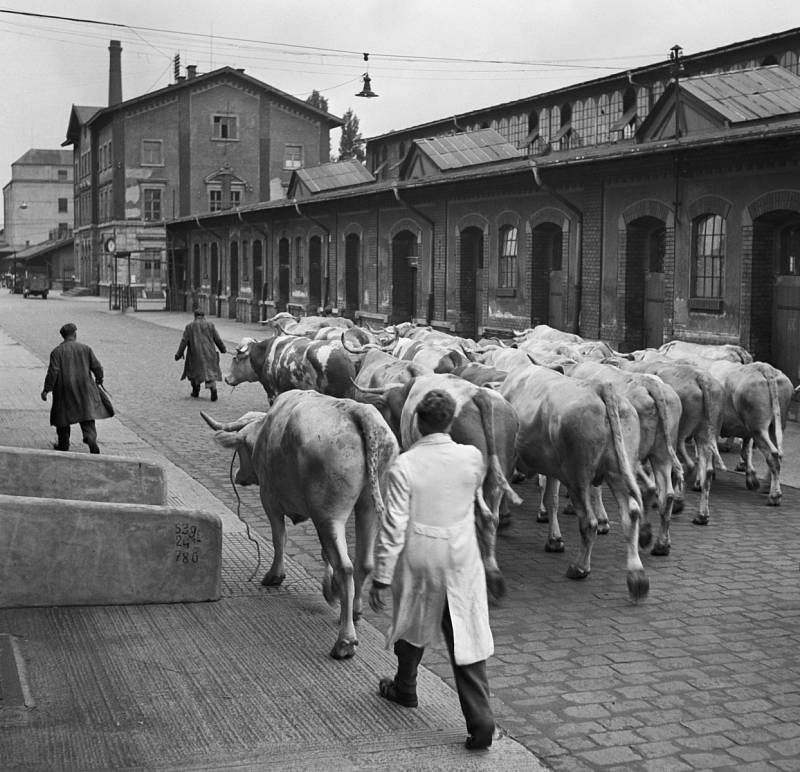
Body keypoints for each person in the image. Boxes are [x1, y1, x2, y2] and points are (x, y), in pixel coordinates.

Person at [369, 389, 496, 751]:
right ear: (451, 421)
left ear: (418, 423)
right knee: (465, 633)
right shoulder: (471, 457)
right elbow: (472, 499)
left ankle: (405, 685)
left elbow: (393, 526)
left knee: (411, 620)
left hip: (420, 555)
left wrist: (381, 575)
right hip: (460, 555)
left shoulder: (404, 465)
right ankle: (481, 721)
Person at [41, 322, 111, 453]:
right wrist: (99, 378)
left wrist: (46, 389)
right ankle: (90, 438)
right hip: (85, 389)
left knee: (62, 418)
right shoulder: (85, 349)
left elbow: (53, 372)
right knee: (87, 416)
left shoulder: (56, 352)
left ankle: (64, 444)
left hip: (64, 390)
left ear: (63, 336)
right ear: (74, 334)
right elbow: (97, 366)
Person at [174, 307, 227, 401]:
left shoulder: (189, 327)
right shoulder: (210, 325)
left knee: (194, 373)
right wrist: (223, 349)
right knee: (210, 373)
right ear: (203, 316)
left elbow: (184, 342)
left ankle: (195, 390)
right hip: (210, 353)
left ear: (195, 316)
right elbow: (217, 339)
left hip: (195, 355)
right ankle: (213, 389)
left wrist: (178, 354)